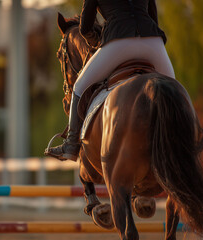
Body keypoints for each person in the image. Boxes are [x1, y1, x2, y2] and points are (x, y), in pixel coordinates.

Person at [45, 0, 175, 161]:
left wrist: (97, 43)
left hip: (118, 40)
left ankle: (71, 144)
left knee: (79, 86)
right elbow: (153, 17)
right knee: (174, 91)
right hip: (152, 40)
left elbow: (85, 28)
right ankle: (188, 138)